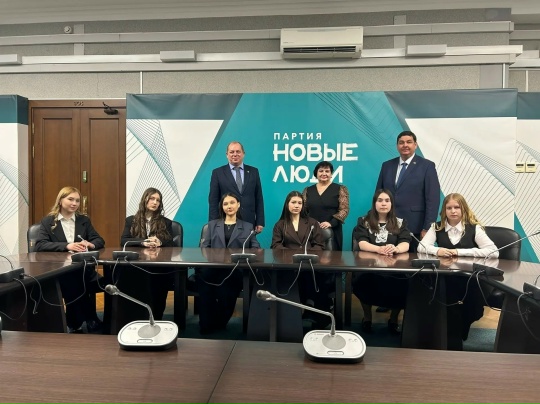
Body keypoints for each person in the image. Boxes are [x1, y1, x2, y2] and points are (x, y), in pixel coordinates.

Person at [417, 193, 498, 342]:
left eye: (457, 207)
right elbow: (421, 247)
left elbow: (493, 252)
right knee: (447, 306)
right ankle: (451, 338)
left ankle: (461, 328)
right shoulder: (437, 227)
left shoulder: (474, 228)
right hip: (446, 278)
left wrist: (459, 252)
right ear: (444, 210)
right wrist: (438, 250)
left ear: (463, 209)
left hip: (470, 279)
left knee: (473, 310)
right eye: (449, 208)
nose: (453, 211)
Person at [35, 186, 105, 333]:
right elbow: (40, 245)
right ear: (60, 201)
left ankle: (75, 323)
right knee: (74, 280)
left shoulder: (83, 220)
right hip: (59, 270)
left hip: (83, 268)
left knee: (78, 279)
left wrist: (90, 244)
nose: (74, 203)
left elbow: (99, 240)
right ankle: (89, 318)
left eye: (77, 201)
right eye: (70, 199)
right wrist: (67, 246)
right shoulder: (48, 221)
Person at [197, 192, 260, 334]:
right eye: (225, 204)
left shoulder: (247, 226)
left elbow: (255, 247)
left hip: (235, 270)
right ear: (222, 207)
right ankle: (205, 324)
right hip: (213, 269)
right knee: (205, 288)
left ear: (238, 205)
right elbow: (204, 247)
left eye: (232, 203)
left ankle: (219, 323)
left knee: (227, 292)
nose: (229, 206)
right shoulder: (212, 225)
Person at [352, 189, 411, 335]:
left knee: (404, 282)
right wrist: (379, 249)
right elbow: (362, 243)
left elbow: (405, 243)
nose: (383, 204)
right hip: (369, 266)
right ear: (374, 203)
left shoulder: (400, 222)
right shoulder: (364, 221)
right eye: (380, 200)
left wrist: (396, 248)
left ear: (391, 204)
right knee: (362, 280)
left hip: (394, 267)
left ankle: (393, 319)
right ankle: (367, 318)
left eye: (387, 200)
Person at [376, 130, 440, 250]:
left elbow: (433, 199)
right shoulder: (387, 166)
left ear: (415, 145)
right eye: (401, 142)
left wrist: (427, 228)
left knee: (412, 260)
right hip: (388, 225)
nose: (405, 145)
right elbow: (378, 195)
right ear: (397, 146)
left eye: (409, 142)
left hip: (415, 227)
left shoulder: (427, 166)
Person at [271, 190, 327, 327]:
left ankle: (315, 313)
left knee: (314, 277)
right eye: (293, 202)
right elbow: (276, 246)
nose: (296, 205)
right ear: (287, 204)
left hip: (310, 265)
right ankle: (294, 314)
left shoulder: (312, 223)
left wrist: (306, 255)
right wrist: (293, 255)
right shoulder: (280, 224)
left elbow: (319, 245)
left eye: (299, 203)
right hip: (289, 265)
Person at [120, 187, 175, 320]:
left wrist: (160, 242)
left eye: (158, 200)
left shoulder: (166, 222)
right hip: (137, 264)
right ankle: (137, 317)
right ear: (145, 199)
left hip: (158, 266)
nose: (155, 202)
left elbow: (172, 244)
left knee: (159, 284)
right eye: (152, 198)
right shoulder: (131, 220)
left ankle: (157, 317)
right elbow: (123, 240)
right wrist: (142, 242)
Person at [209, 141, 265, 232]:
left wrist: (260, 221)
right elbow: (213, 201)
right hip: (226, 222)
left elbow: (258, 198)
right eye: (232, 152)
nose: (235, 154)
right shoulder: (217, 173)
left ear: (243, 154)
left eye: (238, 151)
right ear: (227, 155)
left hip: (249, 221)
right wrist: (213, 223)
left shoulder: (253, 172)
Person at [302, 160, 349, 251]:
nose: (324, 173)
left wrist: (331, 223)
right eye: (321, 171)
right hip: (311, 230)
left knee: (332, 258)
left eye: (327, 171)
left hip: (333, 230)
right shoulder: (308, 190)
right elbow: (303, 210)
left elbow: (344, 209)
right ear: (316, 173)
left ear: (331, 174)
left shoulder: (340, 189)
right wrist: (310, 222)